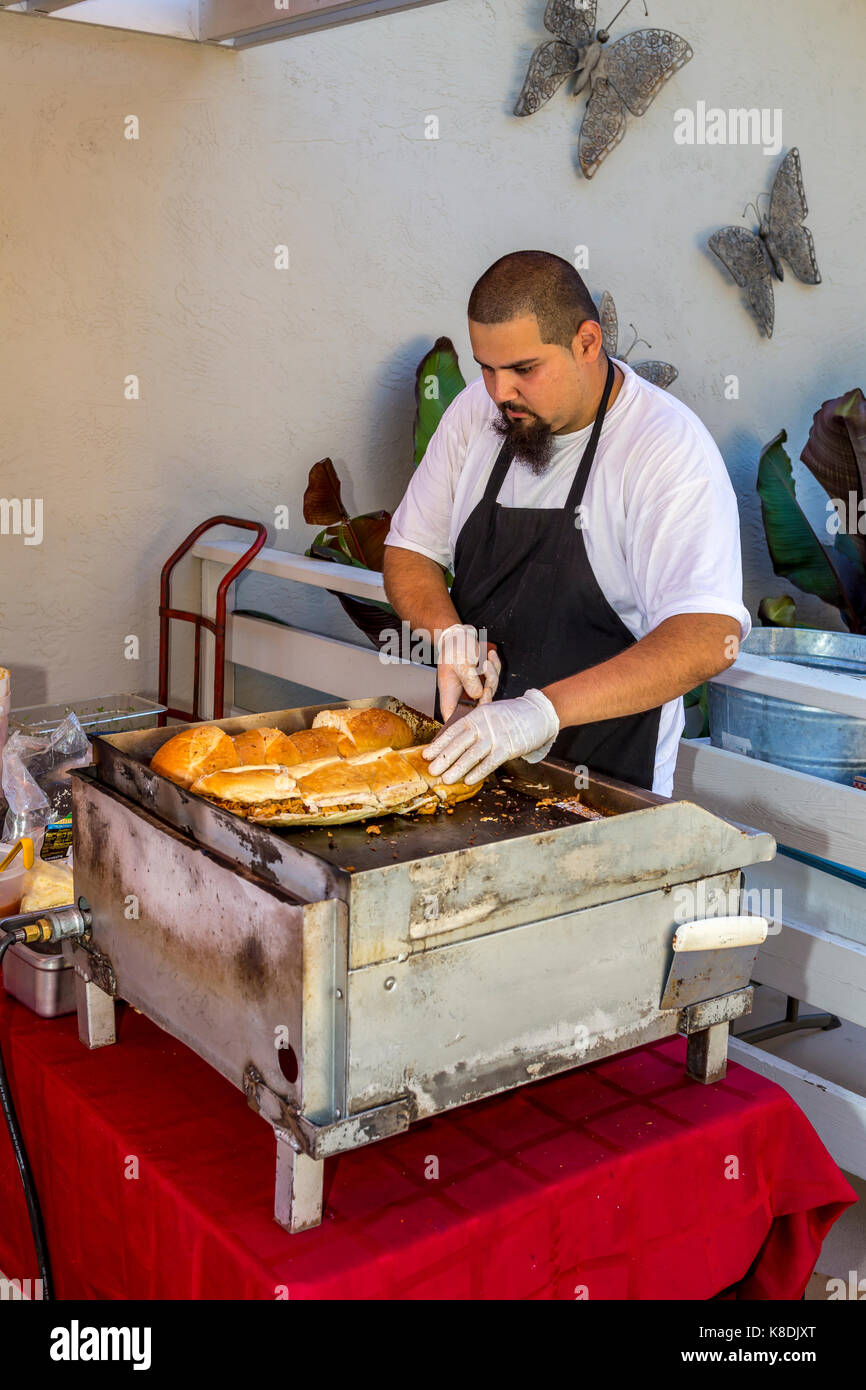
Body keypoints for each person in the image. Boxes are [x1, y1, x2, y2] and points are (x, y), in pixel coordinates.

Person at [382, 250, 750, 795]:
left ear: (587, 343)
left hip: (607, 791)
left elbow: (706, 636)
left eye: (524, 370)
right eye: (486, 367)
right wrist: (450, 634)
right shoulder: (472, 415)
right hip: (473, 771)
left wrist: (538, 714)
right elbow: (410, 552)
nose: (499, 392)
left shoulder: (665, 447)